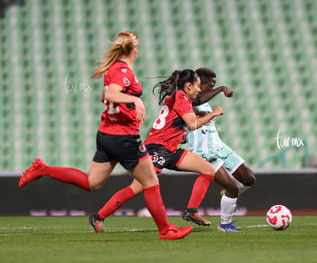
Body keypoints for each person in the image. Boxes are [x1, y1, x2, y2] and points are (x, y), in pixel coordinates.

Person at [18, 31, 193, 240]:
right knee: (151, 182)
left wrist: (125, 107)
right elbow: (110, 95)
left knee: (91, 182)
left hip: (106, 134)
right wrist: (136, 102)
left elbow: (104, 97)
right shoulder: (123, 71)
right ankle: (165, 230)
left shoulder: (113, 70)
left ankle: (44, 169)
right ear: (135, 50)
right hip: (124, 137)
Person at [88, 68, 255, 233]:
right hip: (157, 148)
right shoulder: (181, 96)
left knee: (208, 169)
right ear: (188, 86)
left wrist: (179, 135)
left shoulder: (179, 97)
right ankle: (99, 217)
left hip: (170, 148)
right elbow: (192, 124)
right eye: (197, 86)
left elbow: (176, 125)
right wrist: (214, 114)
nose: (199, 89)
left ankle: (191, 210)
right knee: (137, 188)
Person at [188, 68, 256, 232]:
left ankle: (229, 195)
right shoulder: (188, 98)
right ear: (199, 84)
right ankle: (225, 224)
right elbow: (196, 101)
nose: (213, 89)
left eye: (215, 86)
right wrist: (221, 89)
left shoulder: (206, 102)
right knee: (233, 188)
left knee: (249, 179)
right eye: (210, 86)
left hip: (219, 146)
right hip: (204, 152)